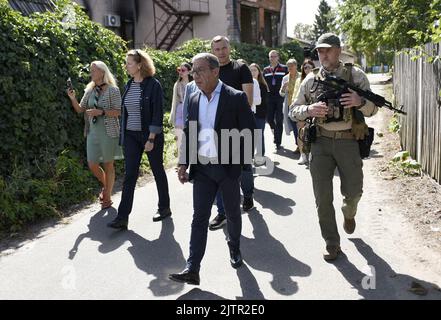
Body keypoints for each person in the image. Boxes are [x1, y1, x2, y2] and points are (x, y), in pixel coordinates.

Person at [169, 53, 256, 285]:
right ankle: (192, 267)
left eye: (200, 70)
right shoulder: (194, 98)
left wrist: (238, 165)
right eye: (193, 71)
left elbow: (248, 132)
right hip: (203, 169)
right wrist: (183, 162)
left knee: (232, 213)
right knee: (199, 217)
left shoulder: (235, 98)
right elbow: (190, 131)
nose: (194, 75)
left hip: (227, 169)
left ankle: (234, 248)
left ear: (215, 71)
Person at [290, 33, 378, 261]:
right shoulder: (310, 80)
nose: (323, 54)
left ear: (338, 50)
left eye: (327, 49)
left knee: (354, 191)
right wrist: (309, 110)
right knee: (322, 198)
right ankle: (332, 242)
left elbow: (374, 109)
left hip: (348, 141)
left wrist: (360, 102)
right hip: (320, 142)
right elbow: (293, 109)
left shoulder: (355, 75)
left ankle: (349, 212)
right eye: (319, 50)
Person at [108, 49, 171, 229]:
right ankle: (122, 217)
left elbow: (157, 114)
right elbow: (126, 112)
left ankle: (164, 207)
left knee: (157, 170)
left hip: (149, 135)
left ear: (139, 65)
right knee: (130, 176)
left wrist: (151, 138)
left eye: (129, 63)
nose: (126, 66)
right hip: (130, 136)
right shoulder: (128, 85)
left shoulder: (154, 85)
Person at [209, 35, 256, 232]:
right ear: (212, 51)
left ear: (230, 48)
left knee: (244, 168)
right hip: (216, 132)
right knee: (220, 173)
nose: (221, 52)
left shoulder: (241, 69)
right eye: (217, 49)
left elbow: (248, 101)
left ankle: (248, 195)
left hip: (239, 128)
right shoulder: (211, 71)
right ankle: (223, 212)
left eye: (224, 48)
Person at [67, 61, 123, 210]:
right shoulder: (89, 90)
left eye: (93, 70)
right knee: (92, 164)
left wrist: (101, 112)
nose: (91, 73)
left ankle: (108, 197)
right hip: (92, 132)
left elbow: (119, 111)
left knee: (108, 164)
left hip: (109, 132)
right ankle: (106, 187)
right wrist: (72, 98)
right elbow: (80, 109)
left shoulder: (113, 90)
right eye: (90, 70)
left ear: (102, 72)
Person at [263, 50, 288, 150]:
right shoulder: (266, 70)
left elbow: (288, 81)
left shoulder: (284, 68)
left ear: (278, 57)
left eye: (274, 56)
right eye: (270, 57)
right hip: (269, 97)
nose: (272, 58)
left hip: (280, 97)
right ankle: (275, 132)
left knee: (279, 119)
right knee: (269, 118)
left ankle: (278, 141)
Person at [294, 60, 316, 165]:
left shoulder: (317, 78)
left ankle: (311, 152)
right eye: (305, 67)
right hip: (301, 109)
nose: (308, 69)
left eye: (310, 67)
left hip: (314, 111)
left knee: (311, 132)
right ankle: (302, 155)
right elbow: (295, 97)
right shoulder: (300, 80)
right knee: (300, 133)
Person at [279, 58, 301, 155]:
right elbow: (281, 94)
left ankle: (303, 145)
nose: (290, 68)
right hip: (289, 106)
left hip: (300, 105)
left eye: (292, 66)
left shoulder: (301, 76)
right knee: (294, 127)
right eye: (288, 66)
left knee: (300, 125)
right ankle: (298, 145)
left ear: (296, 66)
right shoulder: (285, 78)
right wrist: (283, 88)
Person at [169, 62, 192, 151]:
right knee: (179, 133)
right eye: (179, 70)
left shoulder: (194, 83)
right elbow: (175, 100)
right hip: (180, 109)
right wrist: (173, 115)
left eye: (183, 70)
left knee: (189, 133)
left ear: (189, 72)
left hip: (190, 109)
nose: (180, 72)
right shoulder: (177, 84)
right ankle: (180, 157)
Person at [250, 63, 269, 166]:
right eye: (251, 70)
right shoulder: (247, 84)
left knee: (259, 135)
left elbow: (263, 102)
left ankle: (260, 156)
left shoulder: (262, 85)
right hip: (251, 113)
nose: (252, 72)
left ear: (259, 72)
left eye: (254, 70)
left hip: (260, 114)